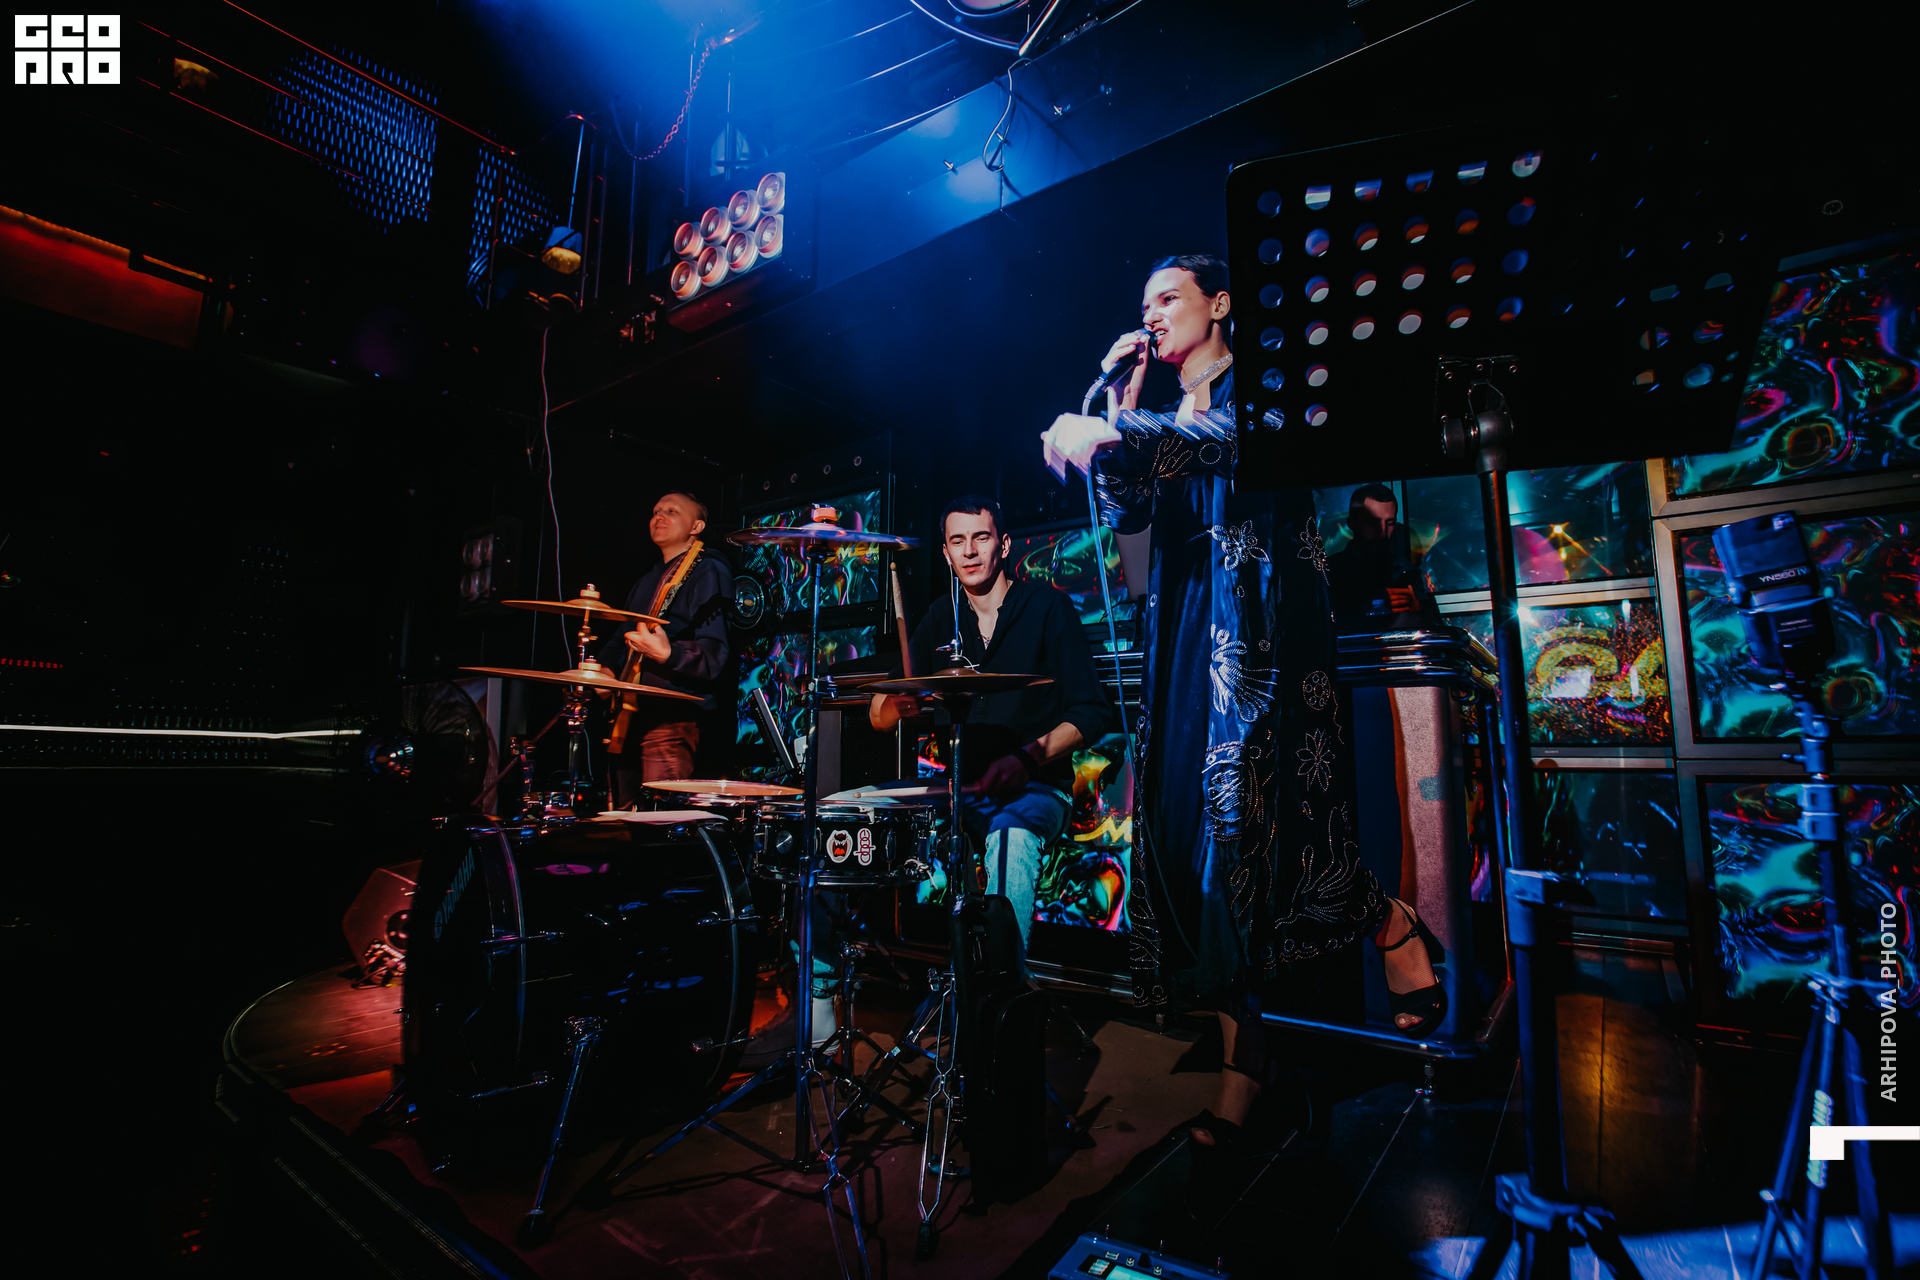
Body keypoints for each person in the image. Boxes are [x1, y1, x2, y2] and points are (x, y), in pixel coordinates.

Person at [1038, 254, 1445, 1155]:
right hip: (1184, 634)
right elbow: (1128, 524)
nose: (1152, 314)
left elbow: (1231, 445)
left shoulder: (1262, 390)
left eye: (1169, 298)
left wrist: (1118, 430)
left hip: (1261, 635)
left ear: (1219, 304)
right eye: (1143, 303)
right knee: (1190, 846)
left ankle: (1386, 922)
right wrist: (1118, 409)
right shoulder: (1157, 410)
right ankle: (1244, 1070)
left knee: (1270, 829)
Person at [868, 495, 1111, 952]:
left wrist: (1025, 759)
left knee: (1011, 835)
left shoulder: (1048, 608)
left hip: (1036, 789)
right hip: (958, 788)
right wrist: (895, 705)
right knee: (848, 814)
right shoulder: (941, 617)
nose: (970, 551)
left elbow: (1091, 713)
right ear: (946, 553)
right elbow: (878, 714)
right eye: (958, 541)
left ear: (1004, 544)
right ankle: (834, 979)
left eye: (981, 538)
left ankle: (1001, 984)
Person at [596, 491, 731, 809]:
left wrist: (670, 654)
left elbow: (715, 652)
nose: (659, 516)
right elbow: (620, 637)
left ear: (696, 526)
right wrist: (604, 669)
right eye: (656, 510)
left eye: (672, 511)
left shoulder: (707, 570)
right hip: (629, 716)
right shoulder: (646, 580)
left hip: (671, 719)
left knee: (664, 819)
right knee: (623, 820)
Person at [1325, 482, 1436, 626]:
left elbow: (1434, 626)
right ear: (1352, 523)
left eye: (1390, 523)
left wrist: (1417, 614)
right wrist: (1365, 608)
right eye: (1373, 523)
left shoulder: (1407, 572)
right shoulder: (1330, 572)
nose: (1383, 533)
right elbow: (1318, 625)